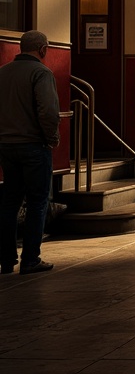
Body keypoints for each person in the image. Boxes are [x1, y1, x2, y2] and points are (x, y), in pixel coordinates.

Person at [0, 30, 60, 275]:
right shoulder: (41, 73)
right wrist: (51, 139)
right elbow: (47, 111)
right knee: (37, 202)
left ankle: (5, 259)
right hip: (34, 146)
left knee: (9, 202)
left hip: (6, 146)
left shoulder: (2, 73)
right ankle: (31, 259)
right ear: (43, 49)